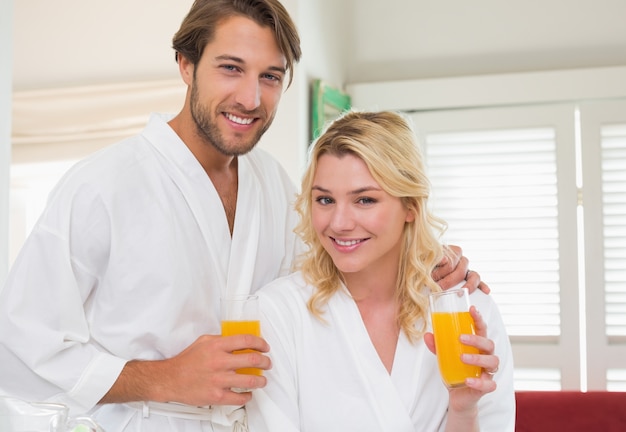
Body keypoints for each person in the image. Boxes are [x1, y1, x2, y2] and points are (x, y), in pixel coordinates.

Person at [0, 1, 484, 431]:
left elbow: (329, 276)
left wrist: (422, 257)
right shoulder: (102, 186)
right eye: (231, 68)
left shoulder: (274, 185)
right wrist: (162, 378)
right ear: (186, 65)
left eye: (270, 76)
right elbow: (19, 351)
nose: (251, 99)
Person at [247, 110, 516, 432]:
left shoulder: (469, 312)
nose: (340, 223)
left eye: (364, 200)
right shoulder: (278, 313)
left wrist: (464, 411)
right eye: (325, 200)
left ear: (411, 207)